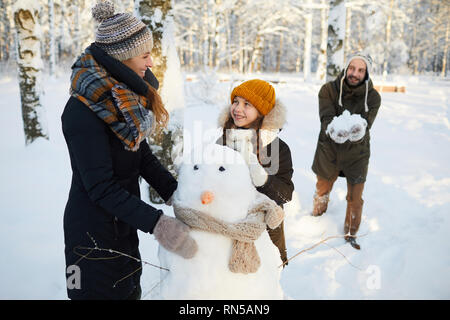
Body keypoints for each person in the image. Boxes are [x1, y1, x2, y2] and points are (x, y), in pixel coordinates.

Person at [61, 1, 197, 300]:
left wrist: (178, 194)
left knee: (129, 292)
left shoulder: (125, 99)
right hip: (90, 237)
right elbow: (100, 187)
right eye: (145, 55)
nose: (151, 62)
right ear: (121, 58)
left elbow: (141, 156)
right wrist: (159, 224)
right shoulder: (82, 111)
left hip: (123, 224)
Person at [217, 79, 294, 266]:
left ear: (262, 111)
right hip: (228, 224)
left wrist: (264, 180)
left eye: (247, 104)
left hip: (265, 231)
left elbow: (285, 195)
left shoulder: (278, 148)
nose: (238, 108)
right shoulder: (224, 141)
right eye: (235, 101)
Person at [311, 52, 381, 249]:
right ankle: (316, 219)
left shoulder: (373, 97)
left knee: (355, 197)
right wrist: (333, 128)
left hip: (357, 154)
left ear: (366, 73)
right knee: (322, 188)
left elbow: (366, 123)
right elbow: (326, 118)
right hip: (329, 151)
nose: (355, 73)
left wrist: (357, 130)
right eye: (351, 68)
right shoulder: (328, 90)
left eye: (360, 70)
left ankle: (351, 232)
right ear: (345, 68)